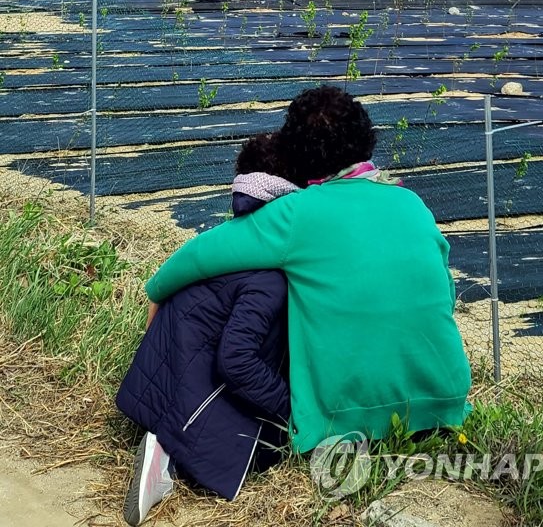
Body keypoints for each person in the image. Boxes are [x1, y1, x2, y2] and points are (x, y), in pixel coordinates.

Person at [146, 86, 471, 455]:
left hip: (344, 418)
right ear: (367, 140)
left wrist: (156, 291)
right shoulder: (411, 203)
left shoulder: (298, 212)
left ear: (295, 153)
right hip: (445, 399)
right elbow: (445, 293)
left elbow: (204, 253)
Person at [116, 132, 298, 526]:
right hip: (196, 386)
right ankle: (166, 459)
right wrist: (290, 409)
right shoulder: (270, 276)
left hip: (166, 371)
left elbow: (158, 296)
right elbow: (236, 360)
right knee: (272, 447)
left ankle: (163, 435)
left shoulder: (222, 243)